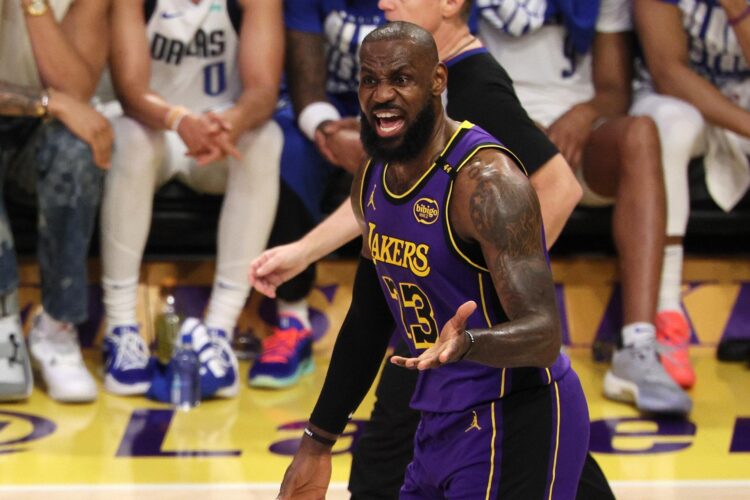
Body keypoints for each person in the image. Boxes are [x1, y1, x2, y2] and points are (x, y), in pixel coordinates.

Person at [274, 21, 590, 499]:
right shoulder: (373, 176)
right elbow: (367, 317)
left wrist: (469, 344)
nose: (382, 94)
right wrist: (317, 443)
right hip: (438, 418)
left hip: (514, 413)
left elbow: (544, 334)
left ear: (438, 81)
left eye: (401, 79)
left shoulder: (486, 182)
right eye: (369, 80)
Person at [475, 0, 692, 415]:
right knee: (495, 161)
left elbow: (613, 90)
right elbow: (450, 78)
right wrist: (519, 129)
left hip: (577, 130)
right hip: (492, 124)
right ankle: (494, 346)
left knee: (640, 134)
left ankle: (639, 346)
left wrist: (584, 114)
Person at [100, 0, 283, 398]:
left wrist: (229, 123)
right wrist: (179, 120)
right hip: (156, 128)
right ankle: (120, 329)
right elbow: (129, 89)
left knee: (266, 138)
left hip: (219, 133)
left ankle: (219, 329)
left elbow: (263, 90)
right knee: (129, 139)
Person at [246, 0, 386, 389]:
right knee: (287, 149)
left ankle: (418, 310)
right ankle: (293, 320)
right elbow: (306, 84)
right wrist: (328, 131)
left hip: (402, 109)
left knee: (422, 162)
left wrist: (382, 133)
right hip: (330, 112)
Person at [0, 0, 112, 403]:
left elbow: (76, 92)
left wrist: (32, 3)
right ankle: (2, 320)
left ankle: (56, 327)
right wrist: (48, 102)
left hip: (41, 133)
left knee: (78, 148)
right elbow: (62, 100)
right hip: (38, 110)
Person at [631, 0, 750, 377]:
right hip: (675, 98)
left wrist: (738, 11)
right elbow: (668, 72)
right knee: (673, 128)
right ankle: (667, 313)